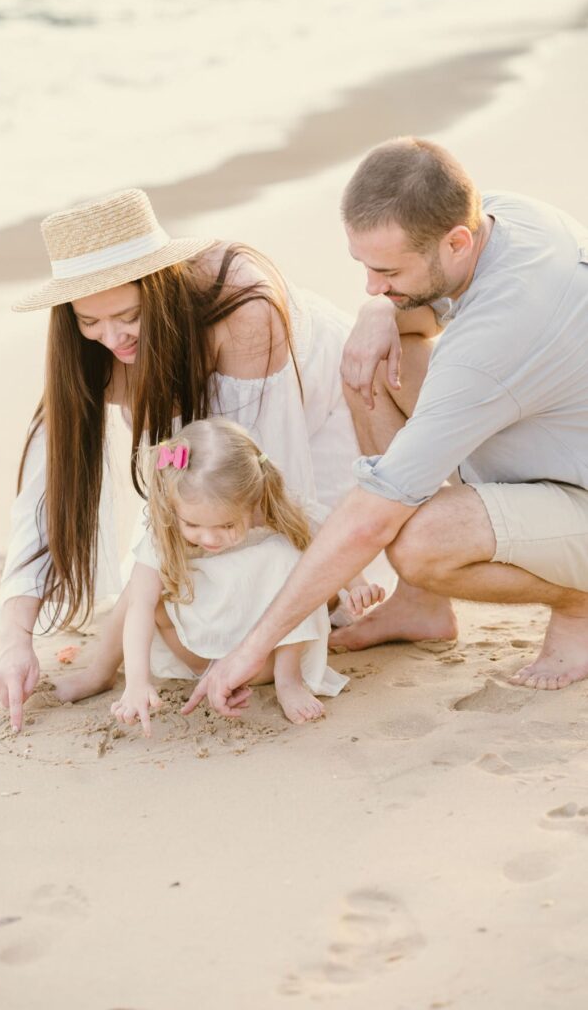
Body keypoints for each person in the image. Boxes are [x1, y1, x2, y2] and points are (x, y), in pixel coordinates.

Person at [183, 136, 588, 718]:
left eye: (388, 271)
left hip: (574, 490)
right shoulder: (500, 215)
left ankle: (578, 604)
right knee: (368, 360)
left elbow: (372, 517)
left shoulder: (493, 343)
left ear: (456, 241)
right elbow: (421, 311)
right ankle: (422, 605)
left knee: (420, 538)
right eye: (365, 267)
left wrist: (252, 648)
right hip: (552, 437)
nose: (372, 285)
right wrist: (379, 313)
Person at [0, 188, 364, 730]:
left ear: (159, 288)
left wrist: (275, 626)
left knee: (284, 574)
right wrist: (13, 638)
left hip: (328, 410)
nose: (111, 338)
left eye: (128, 315)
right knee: (161, 564)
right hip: (218, 446)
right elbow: (45, 497)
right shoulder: (92, 350)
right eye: (89, 321)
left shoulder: (242, 308)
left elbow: (267, 480)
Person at [66, 419, 374, 728]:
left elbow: (328, 540)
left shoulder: (270, 509)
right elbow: (141, 608)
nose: (209, 538)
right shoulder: (166, 527)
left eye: (227, 525)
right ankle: (100, 672)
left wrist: (356, 583)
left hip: (259, 658)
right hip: (193, 649)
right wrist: (137, 682)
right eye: (193, 525)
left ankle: (289, 680)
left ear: (252, 502)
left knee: (289, 557)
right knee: (138, 590)